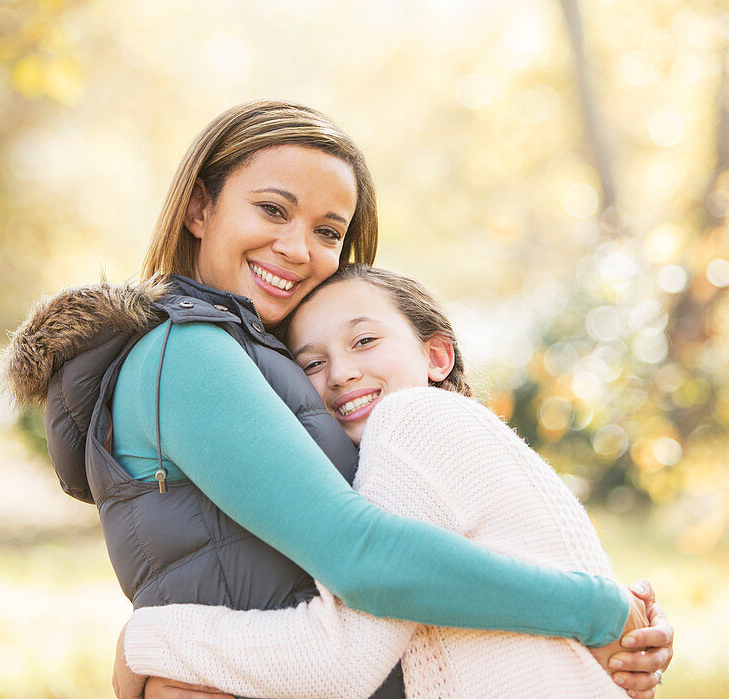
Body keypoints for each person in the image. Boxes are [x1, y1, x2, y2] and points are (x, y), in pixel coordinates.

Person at [3, 101, 672, 699]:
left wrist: (618, 635)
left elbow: (437, 538)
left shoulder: (268, 362)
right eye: (272, 209)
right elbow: (363, 558)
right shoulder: (190, 354)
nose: (297, 249)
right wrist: (597, 611)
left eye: (328, 230)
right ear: (199, 208)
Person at [112, 265, 672, 699]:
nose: (341, 373)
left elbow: (342, 661)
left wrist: (144, 643)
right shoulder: (462, 437)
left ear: (436, 355)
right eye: (311, 363)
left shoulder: (414, 423)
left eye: (364, 342)